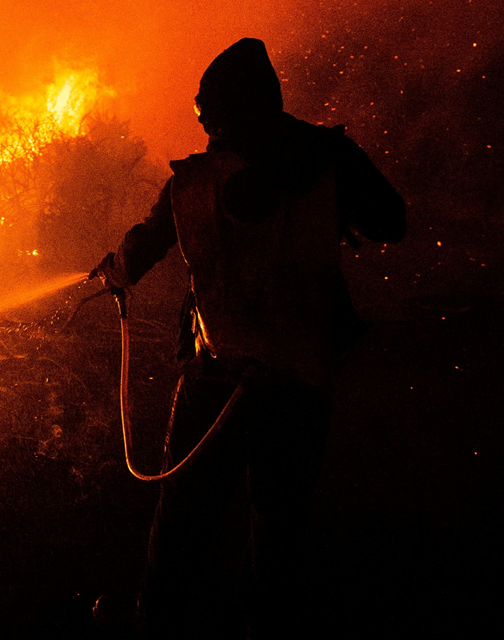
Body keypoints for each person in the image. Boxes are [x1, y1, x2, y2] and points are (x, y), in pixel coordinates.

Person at [93, 38, 405, 638]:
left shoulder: (198, 180)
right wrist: (324, 169)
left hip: (217, 378)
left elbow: (149, 242)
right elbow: (390, 221)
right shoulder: (327, 158)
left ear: (228, 108)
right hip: (300, 378)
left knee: (183, 523)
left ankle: (157, 623)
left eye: (206, 108)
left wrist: (119, 266)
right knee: (278, 530)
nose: (203, 121)